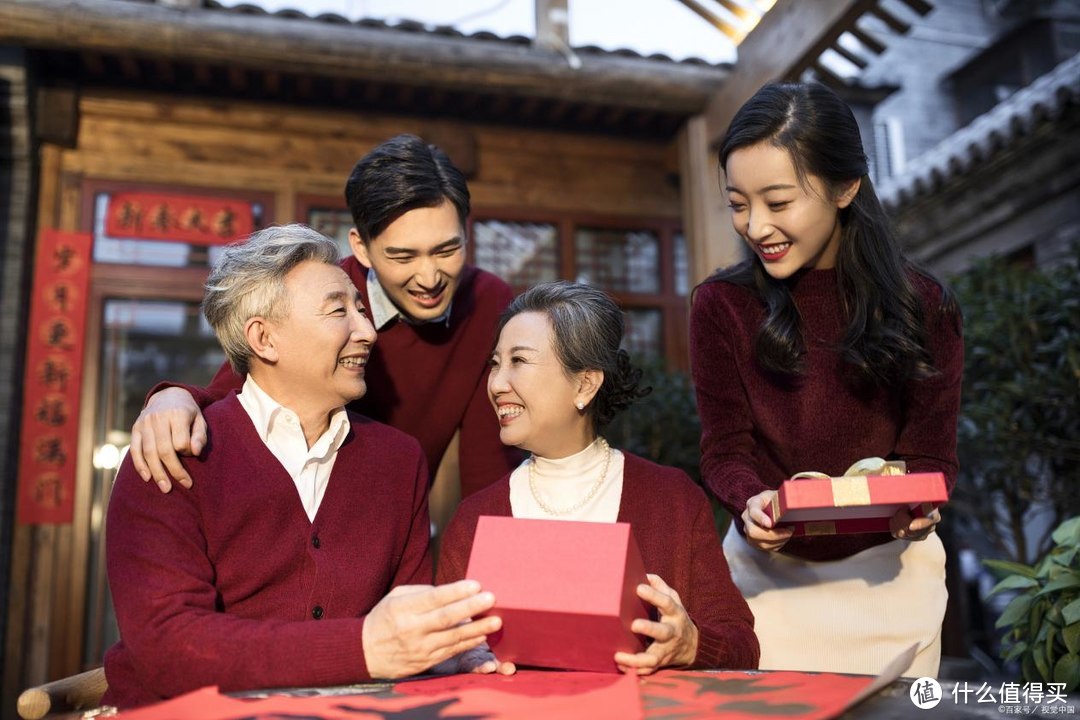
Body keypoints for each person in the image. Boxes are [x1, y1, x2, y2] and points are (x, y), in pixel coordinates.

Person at [102, 225, 501, 708]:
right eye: (339, 311)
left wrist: (444, 649)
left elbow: (402, 634)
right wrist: (363, 648)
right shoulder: (170, 453)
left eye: (361, 308)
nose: (367, 331)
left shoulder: (398, 461)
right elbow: (168, 648)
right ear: (264, 339)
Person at [689, 82, 963, 677]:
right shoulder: (722, 306)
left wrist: (918, 502)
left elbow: (931, 458)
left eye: (778, 202)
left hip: (892, 578)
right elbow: (724, 451)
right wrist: (751, 501)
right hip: (766, 582)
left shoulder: (924, 305)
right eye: (738, 203)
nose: (755, 226)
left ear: (846, 186)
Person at [128, 134, 521, 530]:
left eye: (446, 251)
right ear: (362, 248)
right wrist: (173, 396)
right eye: (403, 256)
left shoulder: (486, 301)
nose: (429, 276)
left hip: (393, 518)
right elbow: (238, 389)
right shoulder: (329, 292)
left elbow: (488, 469)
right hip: (289, 514)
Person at [437, 281, 760, 675]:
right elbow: (439, 650)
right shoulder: (475, 520)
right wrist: (454, 656)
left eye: (518, 361)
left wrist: (690, 643)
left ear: (585, 383)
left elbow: (741, 644)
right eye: (495, 363)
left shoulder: (671, 500)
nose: (496, 384)